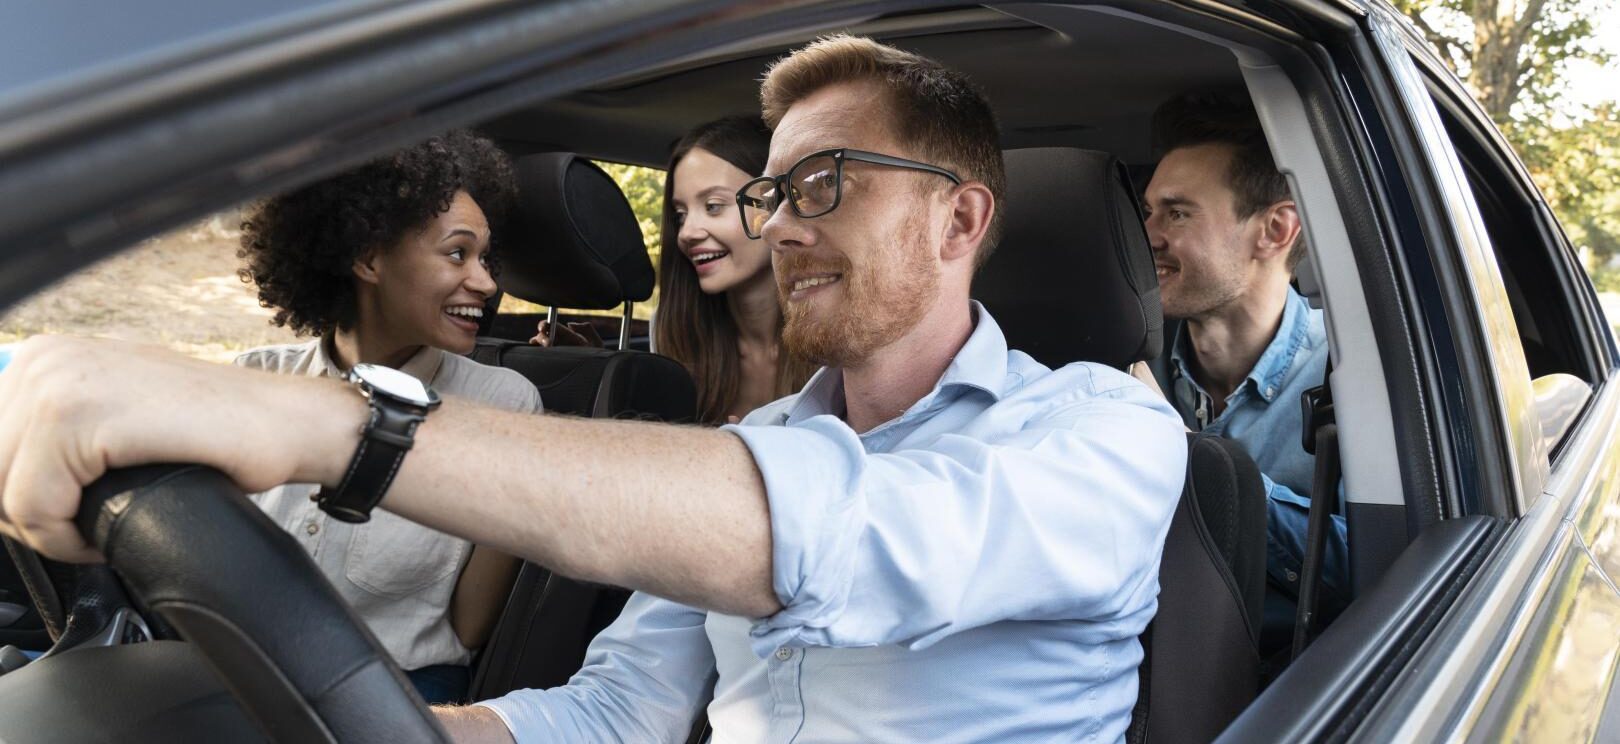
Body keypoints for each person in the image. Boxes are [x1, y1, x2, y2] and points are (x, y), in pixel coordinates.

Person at [0, 36, 1184, 742]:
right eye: (769, 197)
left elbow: (836, 533)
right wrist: (399, 725)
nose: (779, 229)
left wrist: (326, 425)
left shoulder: (1104, 430)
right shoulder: (763, 434)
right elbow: (620, 709)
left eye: (821, 185)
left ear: (959, 217)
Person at [233, 130, 542, 703]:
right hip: (232, 676)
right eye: (457, 253)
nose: (487, 282)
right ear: (369, 257)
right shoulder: (254, 377)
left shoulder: (505, 404)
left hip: (392, 696)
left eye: (485, 257)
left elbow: (470, 628)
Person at [1140, 91, 1350, 651]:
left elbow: (1366, 571)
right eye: (1147, 211)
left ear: (1275, 231)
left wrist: (1184, 454)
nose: (1148, 234)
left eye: (1177, 212)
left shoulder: (1357, 374)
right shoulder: (1119, 362)